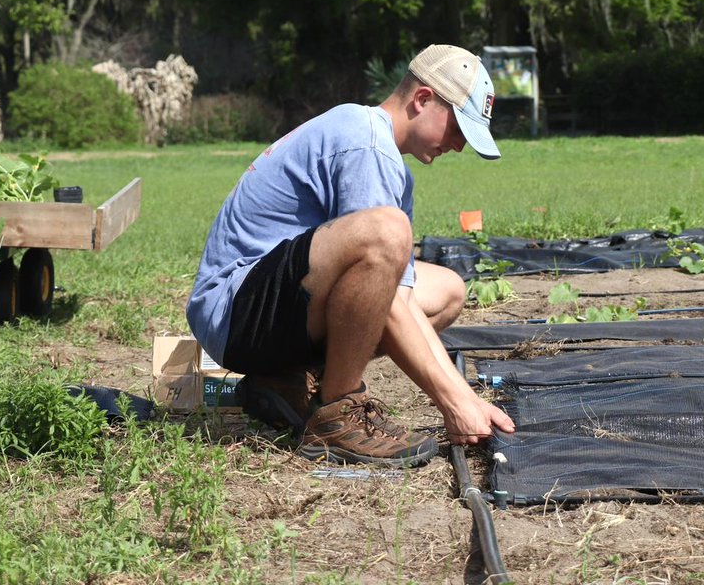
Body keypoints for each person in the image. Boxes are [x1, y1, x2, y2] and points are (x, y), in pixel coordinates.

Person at [186, 44, 516, 467]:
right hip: (233, 312)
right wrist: (454, 402)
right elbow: (387, 284)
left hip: (271, 309)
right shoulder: (365, 143)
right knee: (387, 233)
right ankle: (336, 414)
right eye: (458, 129)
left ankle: (290, 382)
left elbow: (399, 297)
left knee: (447, 291)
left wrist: (465, 396)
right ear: (423, 99)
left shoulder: (388, 160)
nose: (459, 146)